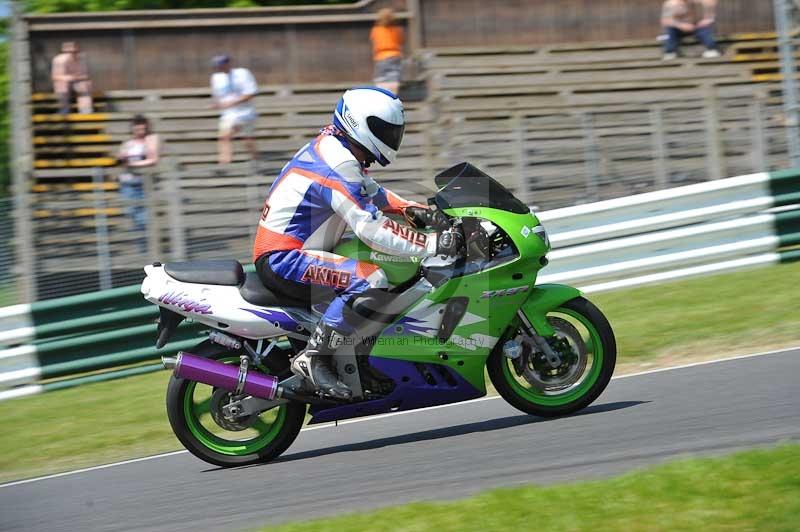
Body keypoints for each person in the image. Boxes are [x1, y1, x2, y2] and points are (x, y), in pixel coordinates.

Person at [252, 87, 464, 399]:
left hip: (302, 250)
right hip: (285, 257)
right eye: (385, 130)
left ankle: (357, 358)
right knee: (371, 278)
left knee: (384, 266)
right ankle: (317, 358)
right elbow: (370, 227)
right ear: (360, 123)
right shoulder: (337, 161)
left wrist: (414, 210)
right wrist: (432, 244)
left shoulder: (338, 149)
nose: (392, 137)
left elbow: (371, 191)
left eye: (395, 131)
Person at [117, 115, 160, 249]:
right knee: (131, 212)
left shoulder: (151, 140)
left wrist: (134, 164)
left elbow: (153, 159)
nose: (140, 131)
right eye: (137, 129)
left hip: (143, 183)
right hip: (128, 182)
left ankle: (144, 248)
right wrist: (123, 159)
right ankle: (142, 244)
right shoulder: (128, 144)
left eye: (142, 128)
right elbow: (122, 161)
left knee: (142, 217)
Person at [210, 54, 259, 165]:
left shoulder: (243, 74)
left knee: (247, 142)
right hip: (228, 115)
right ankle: (224, 163)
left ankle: (255, 160)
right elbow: (219, 97)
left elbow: (250, 94)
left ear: (228, 63)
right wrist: (217, 105)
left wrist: (232, 102)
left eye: (222, 65)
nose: (220, 68)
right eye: (217, 66)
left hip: (246, 113)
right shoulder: (216, 78)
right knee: (224, 137)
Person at [50, 41, 93, 115]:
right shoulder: (58, 60)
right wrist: (69, 78)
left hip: (78, 81)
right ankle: (64, 110)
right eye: (68, 51)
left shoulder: (82, 58)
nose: (71, 53)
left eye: (74, 51)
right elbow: (55, 77)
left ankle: (85, 111)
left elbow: (86, 75)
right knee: (62, 85)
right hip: (64, 83)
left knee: (85, 85)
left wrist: (77, 78)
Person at [370, 8, 405, 95]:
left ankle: (382, 97)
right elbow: (401, 41)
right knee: (394, 77)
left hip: (381, 56)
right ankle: (392, 96)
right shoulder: (398, 30)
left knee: (381, 78)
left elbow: (374, 43)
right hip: (395, 55)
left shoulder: (376, 30)